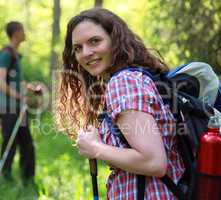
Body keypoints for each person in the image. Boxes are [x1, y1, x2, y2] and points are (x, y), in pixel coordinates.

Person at [58, 8, 185, 199]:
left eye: (95, 41)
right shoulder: (138, 76)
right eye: (78, 48)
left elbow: (154, 162)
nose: (85, 53)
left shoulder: (123, 82)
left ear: (115, 40)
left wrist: (95, 148)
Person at [0, 21, 35, 185]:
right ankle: (5, 176)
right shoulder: (5, 54)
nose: (25, 33)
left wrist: (29, 87)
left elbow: (14, 81)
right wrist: (19, 96)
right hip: (8, 107)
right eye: (23, 29)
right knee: (10, 142)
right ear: (16, 32)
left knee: (27, 144)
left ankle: (27, 178)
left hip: (19, 108)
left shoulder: (15, 55)